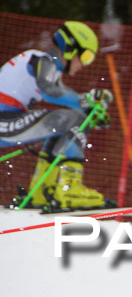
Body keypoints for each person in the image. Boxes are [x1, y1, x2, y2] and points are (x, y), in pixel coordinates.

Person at [0, 20, 114, 210]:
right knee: (72, 120)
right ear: (70, 48)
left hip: (7, 121)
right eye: (85, 56)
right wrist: (85, 101)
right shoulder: (42, 60)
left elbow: (68, 99)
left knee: (70, 122)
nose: (83, 64)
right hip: (4, 121)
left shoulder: (49, 68)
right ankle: (70, 188)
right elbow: (49, 91)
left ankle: (40, 192)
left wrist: (90, 112)